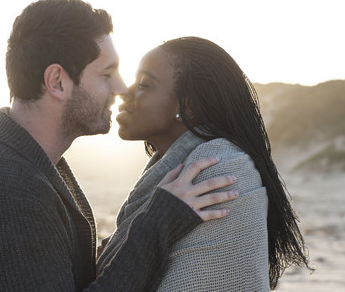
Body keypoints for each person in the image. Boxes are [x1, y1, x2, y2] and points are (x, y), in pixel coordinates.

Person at [0, 0, 239, 291]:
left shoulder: (28, 165)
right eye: (107, 73)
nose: (120, 88)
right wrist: (157, 224)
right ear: (58, 82)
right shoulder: (7, 190)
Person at [97, 36, 312, 290]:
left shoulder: (219, 168)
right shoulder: (174, 172)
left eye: (144, 83)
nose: (124, 91)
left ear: (187, 106)